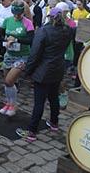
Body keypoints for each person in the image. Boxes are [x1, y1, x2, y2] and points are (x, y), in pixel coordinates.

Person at [16, 8, 73, 142]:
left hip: (43, 70)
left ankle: (31, 131)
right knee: (54, 97)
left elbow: (35, 54)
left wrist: (28, 71)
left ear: (49, 17)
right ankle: (54, 122)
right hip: (58, 68)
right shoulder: (68, 30)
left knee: (39, 102)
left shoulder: (43, 31)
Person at [0, 0, 35, 116]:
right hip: (9, 55)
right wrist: (6, 40)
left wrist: (16, 39)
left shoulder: (28, 23)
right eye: (15, 14)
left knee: (10, 80)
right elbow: (1, 34)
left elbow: (30, 40)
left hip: (22, 56)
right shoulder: (7, 21)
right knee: (7, 82)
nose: (17, 16)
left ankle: (13, 104)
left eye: (19, 14)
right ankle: (8, 102)